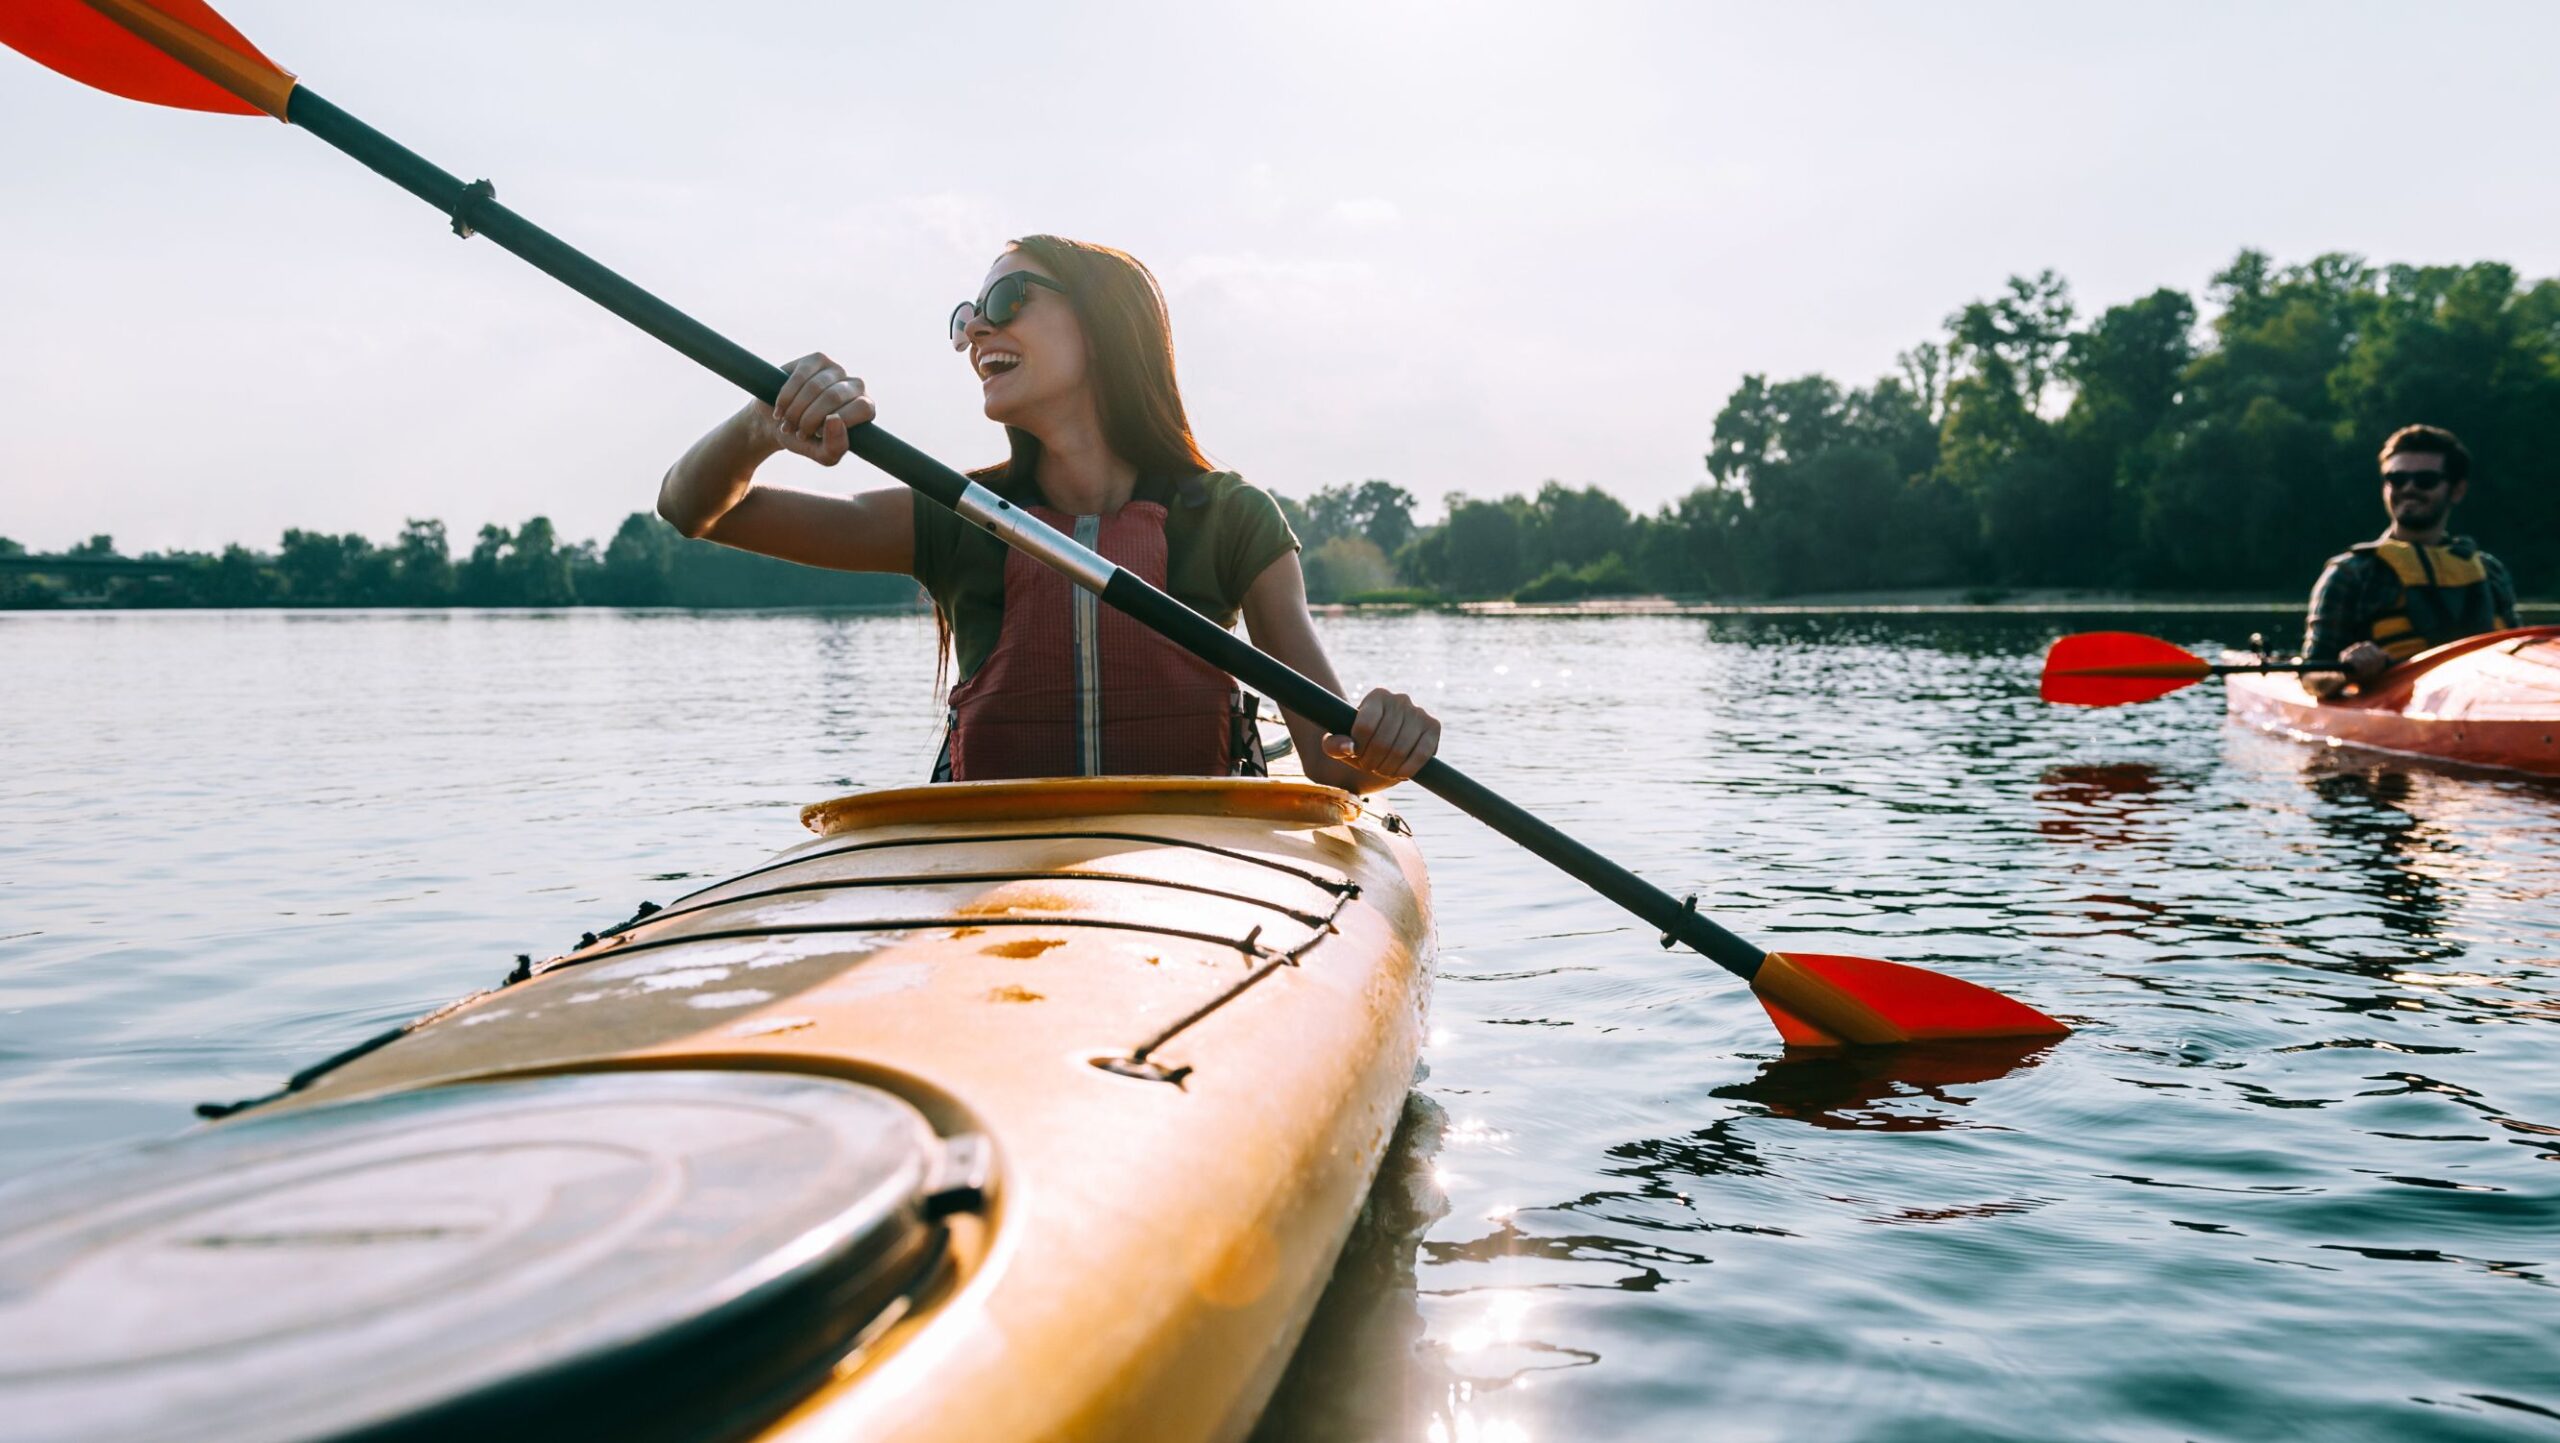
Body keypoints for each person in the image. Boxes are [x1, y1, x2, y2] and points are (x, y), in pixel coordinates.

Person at [656, 234, 1440, 790]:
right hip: (995, 881)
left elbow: (1331, 761)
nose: (977, 330)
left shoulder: (1234, 520)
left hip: (1193, 875)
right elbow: (697, 511)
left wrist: (1386, 741)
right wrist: (761, 424)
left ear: (1106, 328)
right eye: (968, 314)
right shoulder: (952, 515)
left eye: (1005, 299)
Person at [2299, 424, 2518, 698]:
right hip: (2396, 708)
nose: (2409, 488)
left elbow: (2519, 653)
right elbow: (2311, 678)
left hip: (2489, 699)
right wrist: (2346, 671)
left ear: (2457, 490)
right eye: (2397, 479)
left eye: (2425, 480)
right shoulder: (2350, 574)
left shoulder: (2490, 570)